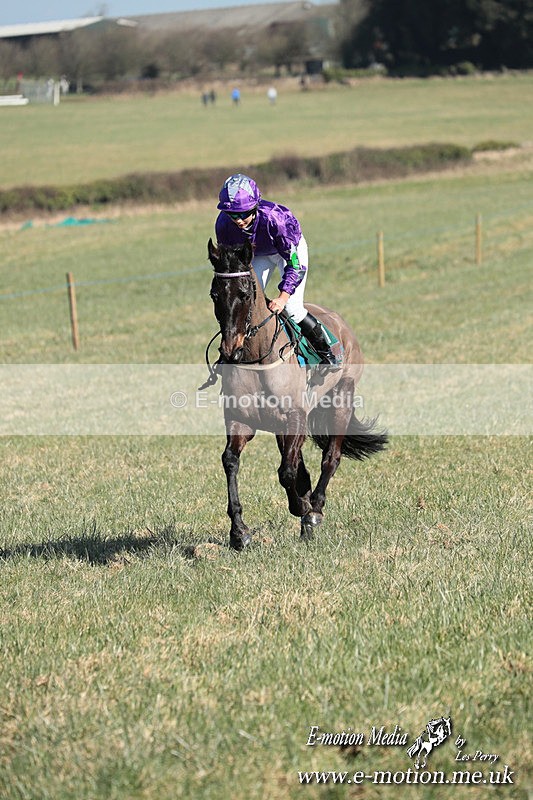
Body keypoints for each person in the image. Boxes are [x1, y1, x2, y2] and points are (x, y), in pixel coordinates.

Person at [214, 173, 339, 366]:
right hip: (258, 254)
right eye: (232, 214)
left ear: (255, 206)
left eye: (243, 213)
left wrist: (282, 297)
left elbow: (294, 264)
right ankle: (233, 351)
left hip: (288, 253)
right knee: (244, 303)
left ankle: (326, 352)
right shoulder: (223, 225)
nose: (238, 220)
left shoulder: (276, 220)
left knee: (292, 308)